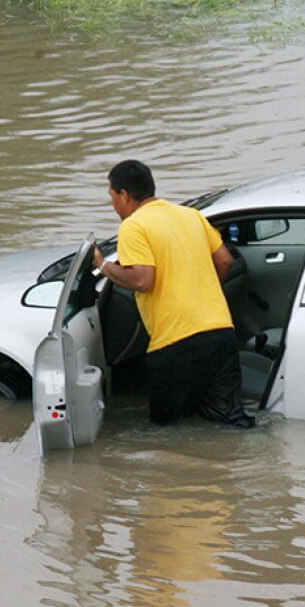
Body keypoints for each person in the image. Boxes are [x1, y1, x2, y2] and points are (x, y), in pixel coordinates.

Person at [93, 160, 254, 429]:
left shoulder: (134, 226)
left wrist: (102, 265)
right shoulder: (191, 215)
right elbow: (225, 261)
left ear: (124, 195)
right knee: (230, 420)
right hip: (220, 333)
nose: (113, 205)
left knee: (168, 430)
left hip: (175, 343)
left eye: (111, 197)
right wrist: (204, 292)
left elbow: (143, 280)